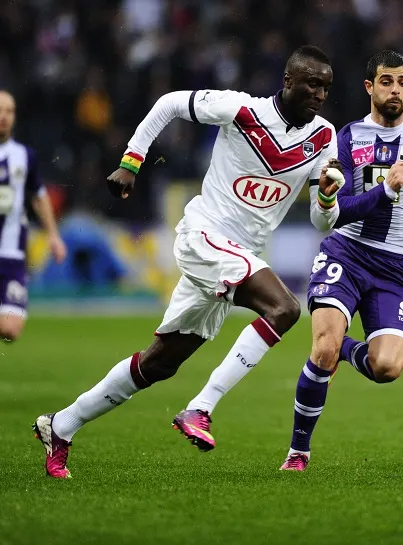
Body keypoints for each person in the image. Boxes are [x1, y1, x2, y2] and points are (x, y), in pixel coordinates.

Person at [33, 46, 361, 479]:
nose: (319, 94)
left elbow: (322, 221)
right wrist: (132, 160)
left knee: (158, 363)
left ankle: (61, 425)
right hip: (205, 236)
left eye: (326, 87)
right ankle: (201, 408)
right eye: (312, 83)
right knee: (284, 309)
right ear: (288, 80)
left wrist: (327, 196)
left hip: (239, 255)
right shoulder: (241, 110)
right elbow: (170, 103)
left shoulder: (323, 137)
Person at [279, 50, 403, 471]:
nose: (395, 90)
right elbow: (336, 213)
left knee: (386, 367)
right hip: (346, 255)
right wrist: (385, 191)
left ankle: (343, 349)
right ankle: (298, 451)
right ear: (370, 87)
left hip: (394, 269)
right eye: (387, 82)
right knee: (323, 348)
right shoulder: (347, 139)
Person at [0, 90, 66, 342]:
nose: (4, 116)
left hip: (12, 254)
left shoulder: (25, 156)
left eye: (9, 111)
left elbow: (39, 196)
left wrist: (53, 235)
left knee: (11, 330)